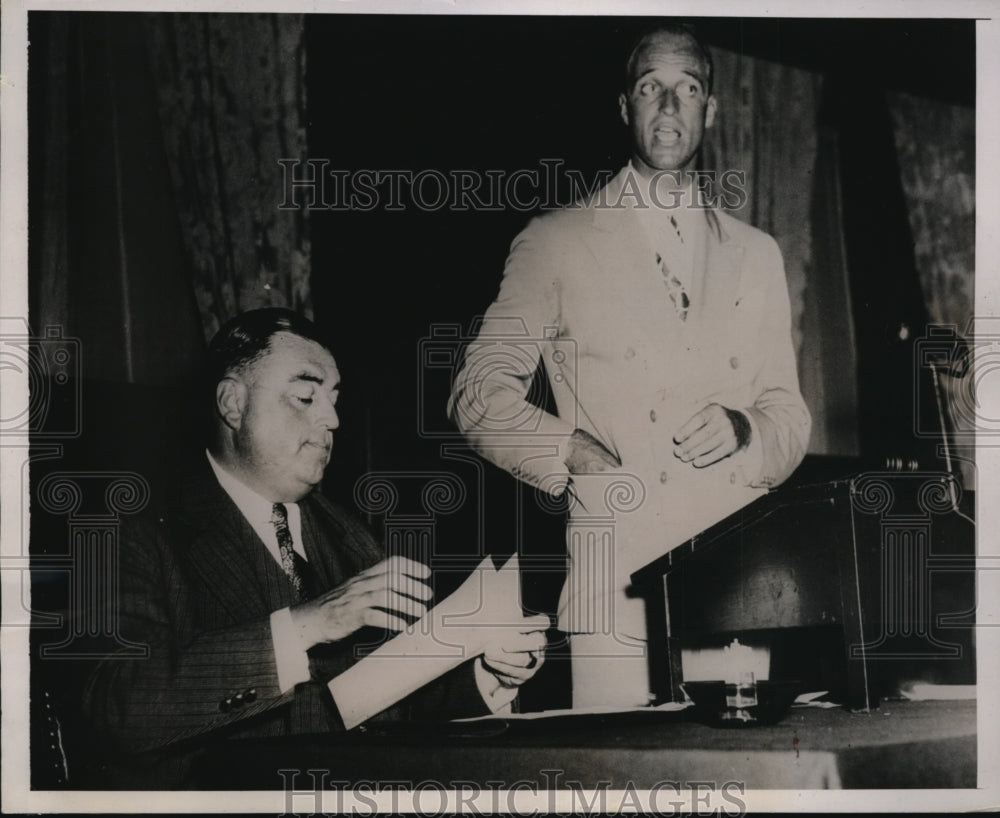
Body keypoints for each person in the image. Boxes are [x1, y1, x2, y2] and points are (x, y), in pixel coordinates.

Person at [448, 25, 811, 708]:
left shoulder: (757, 253)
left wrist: (744, 427)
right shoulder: (555, 241)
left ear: (711, 110)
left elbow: (788, 418)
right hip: (617, 588)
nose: (669, 105)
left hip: (737, 585)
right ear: (624, 107)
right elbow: (477, 395)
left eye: (688, 88)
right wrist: (569, 449)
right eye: (651, 87)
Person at [82, 308, 547, 787]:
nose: (332, 419)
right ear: (233, 403)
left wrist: (487, 674)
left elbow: (387, 699)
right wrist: (308, 624)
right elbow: (115, 709)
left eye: (334, 399)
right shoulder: (134, 531)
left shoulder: (347, 531)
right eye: (306, 396)